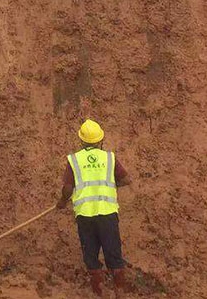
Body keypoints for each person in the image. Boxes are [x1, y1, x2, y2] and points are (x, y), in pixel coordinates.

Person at [57, 119, 131, 296]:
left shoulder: (75, 160)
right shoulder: (109, 158)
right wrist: (110, 184)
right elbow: (126, 179)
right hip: (108, 214)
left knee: (91, 257)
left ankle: (99, 293)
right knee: (114, 255)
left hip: (85, 216)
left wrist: (62, 202)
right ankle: (120, 293)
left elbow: (68, 188)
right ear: (100, 140)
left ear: (81, 140)